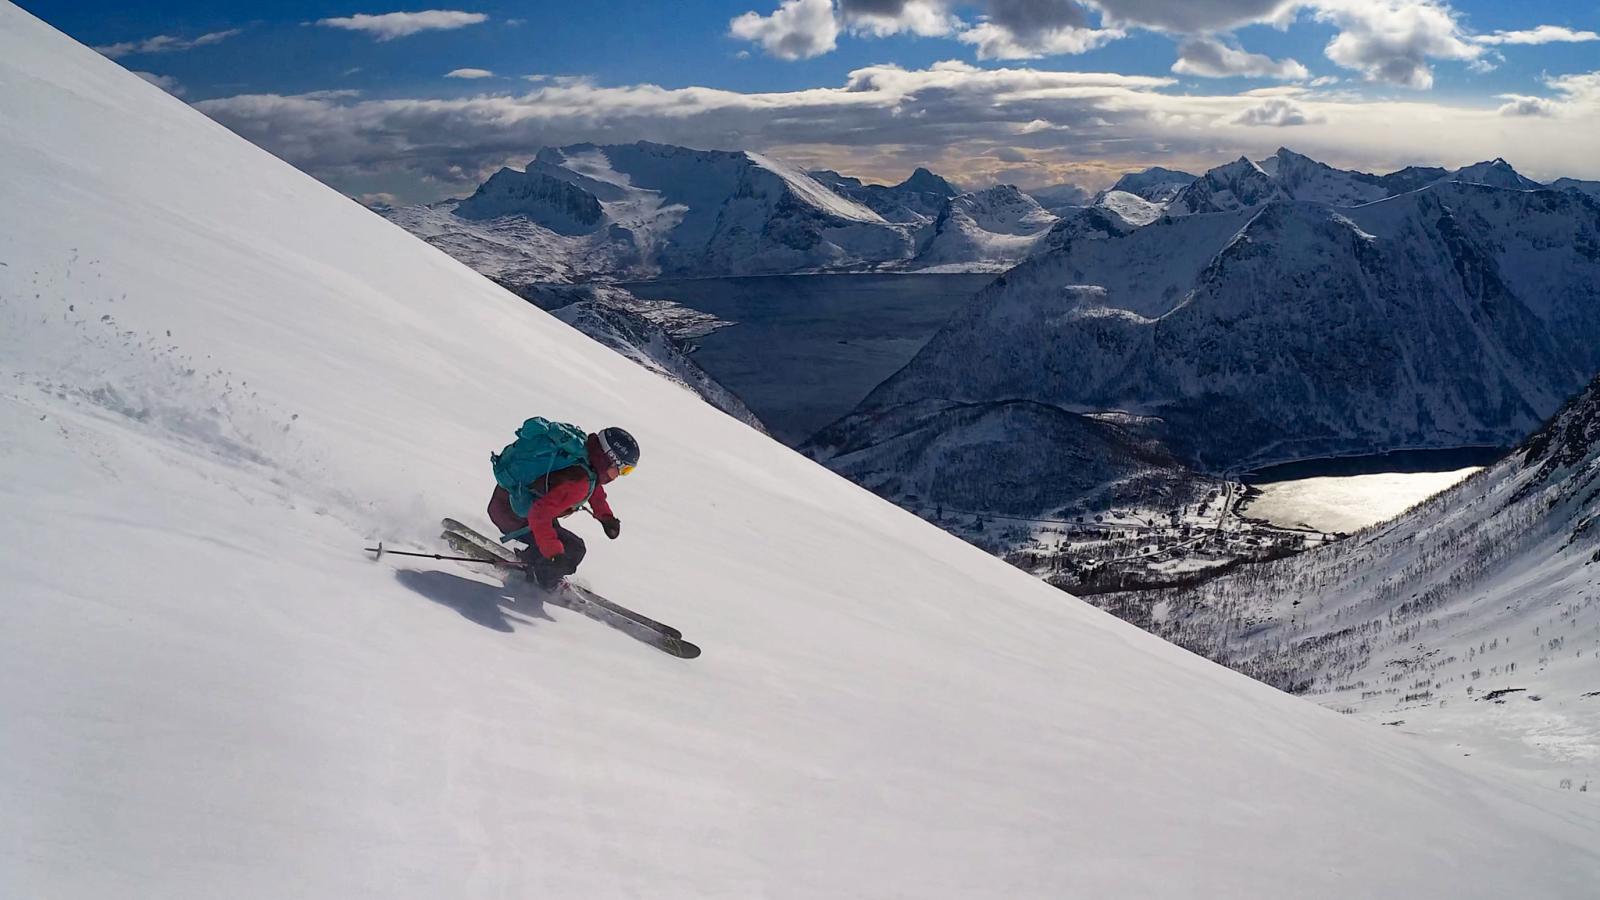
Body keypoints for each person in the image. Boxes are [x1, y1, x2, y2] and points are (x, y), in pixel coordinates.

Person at [487, 424, 639, 589]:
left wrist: (605, 516)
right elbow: (539, 515)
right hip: (512, 515)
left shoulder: (585, 456)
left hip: (511, 499)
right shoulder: (579, 482)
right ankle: (543, 580)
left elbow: (593, 487)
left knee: (561, 541)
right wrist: (554, 553)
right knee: (574, 549)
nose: (619, 475)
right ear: (610, 459)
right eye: (624, 469)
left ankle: (532, 562)